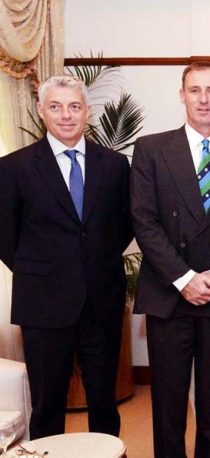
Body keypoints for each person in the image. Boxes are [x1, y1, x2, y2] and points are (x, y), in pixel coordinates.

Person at [0, 75, 132, 439]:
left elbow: (124, 227)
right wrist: (45, 271)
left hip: (102, 301)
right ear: (42, 111)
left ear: (88, 112)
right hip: (42, 305)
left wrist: (92, 264)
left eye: (74, 106)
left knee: (105, 405)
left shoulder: (116, 165)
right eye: (56, 106)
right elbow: (6, 237)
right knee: (47, 406)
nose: (66, 115)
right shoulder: (14, 168)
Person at [131, 62, 210, 458]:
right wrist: (184, 278)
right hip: (169, 295)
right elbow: (144, 221)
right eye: (195, 90)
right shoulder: (150, 150)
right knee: (167, 402)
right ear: (181, 95)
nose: (203, 99)